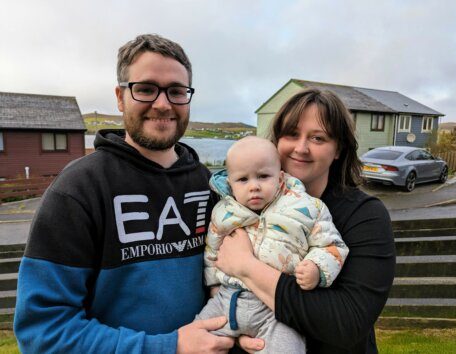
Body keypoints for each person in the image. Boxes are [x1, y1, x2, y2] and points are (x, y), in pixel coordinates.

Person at [14, 33, 236, 354]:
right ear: (120, 98)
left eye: (176, 91)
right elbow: (43, 332)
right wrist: (168, 347)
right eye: (146, 89)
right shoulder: (78, 189)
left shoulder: (209, 185)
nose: (163, 104)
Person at [216, 89, 396, 354]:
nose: (301, 148)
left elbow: (346, 324)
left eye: (318, 138)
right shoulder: (241, 205)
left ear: (338, 150)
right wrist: (237, 330)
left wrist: (247, 267)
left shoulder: (365, 216)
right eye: (291, 134)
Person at [197, 136, 349, 353]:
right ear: (230, 184)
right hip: (227, 300)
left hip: (276, 309)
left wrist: (316, 269)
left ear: (280, 178)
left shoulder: (306, 207)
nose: (254, 187)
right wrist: (212, 285)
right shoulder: (223, 212)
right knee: (195, 338)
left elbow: (332, 246)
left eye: (263, 176)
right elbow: (212, 250)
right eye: (243, 180)